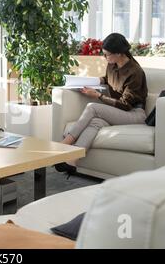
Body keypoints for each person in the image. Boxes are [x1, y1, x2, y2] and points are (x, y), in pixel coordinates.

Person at [55, 33, 148, 176]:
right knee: (96, 122)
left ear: (119, 53)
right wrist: (97, 81)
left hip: (135, 114)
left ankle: (65, 143)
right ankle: (72, 160)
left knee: (92, 107)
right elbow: (108, 79)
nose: (105, 58)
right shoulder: (112, 64)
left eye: (107, 55)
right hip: (120, 111)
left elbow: (125, 105)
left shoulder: (135, 72)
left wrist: (98, 95)